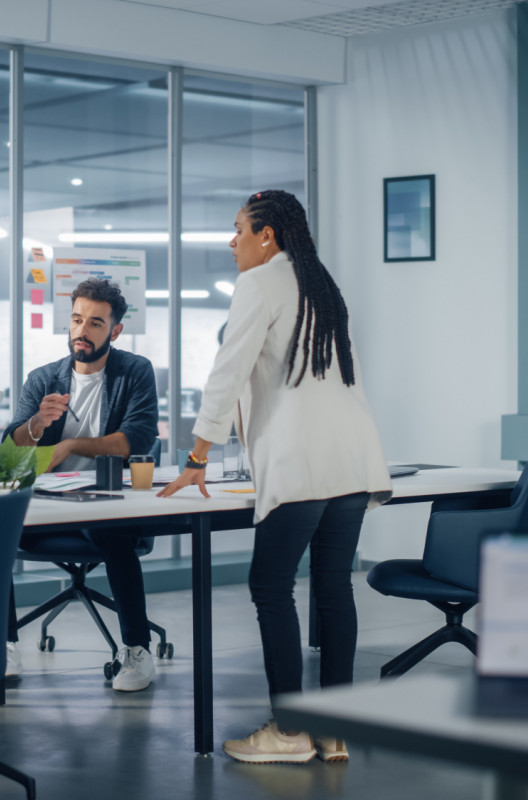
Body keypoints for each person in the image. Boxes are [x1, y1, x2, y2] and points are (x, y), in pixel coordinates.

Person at [159, 190, 392, 763]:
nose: (231, 240)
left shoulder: (259, 284)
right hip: (354, 460)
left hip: (302, 464)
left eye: (238, 229)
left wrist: (197, 459)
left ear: (268, 236)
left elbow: (227, 372)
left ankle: (289, 732)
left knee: (271, 587)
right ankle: (333, 729)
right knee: (334, 587)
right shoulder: (323, 286)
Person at [3, 278, 159, 691]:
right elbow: (9, 451)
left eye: (94, 323)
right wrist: (37, 424)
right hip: (48, 506)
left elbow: (134, 440)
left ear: (115, 331)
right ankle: (2, 645)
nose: (81, 331)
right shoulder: (44, 379)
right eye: (76, 320)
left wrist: (71, 444)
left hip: (105, 502)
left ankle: (137, 651)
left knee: (112, 530)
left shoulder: (134, 372)